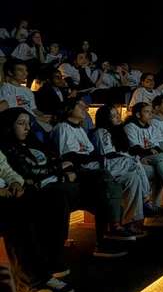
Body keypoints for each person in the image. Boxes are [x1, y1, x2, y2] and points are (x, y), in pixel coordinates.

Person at [1, 108, 127, 260]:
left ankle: (107, 236)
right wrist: (60, 172)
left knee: (101, 178)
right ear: (9, 126)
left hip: (57, 178)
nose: (27, 128)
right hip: (45, 186)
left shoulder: (33, 142)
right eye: (21, 123)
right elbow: (30, 172)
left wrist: (63, 171)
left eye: (29, 124)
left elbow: (56, 159)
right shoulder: (9, 147)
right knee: (70, 193)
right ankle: (56, 256)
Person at [52, 100, 137, 240]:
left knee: (131, 174)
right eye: (79, 106)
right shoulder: (62, 128)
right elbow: (68, 156)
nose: (84, 108)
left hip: (91, 165)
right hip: (77, 169)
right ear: (69, 110)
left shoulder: (79, 129)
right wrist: (91, 159)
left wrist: (92, 158)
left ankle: (128, 222)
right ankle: (114, 226)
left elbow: (90, 152)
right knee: (107, 178)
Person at [0, 143, 74, 292]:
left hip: (7, 192)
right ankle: (30, 282)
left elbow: (5, 168)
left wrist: (15, 182)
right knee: (16, 212)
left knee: (54, 198)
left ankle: (51, 262)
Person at [92, 105, 150, 237]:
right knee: (134, 162)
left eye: (117, 114)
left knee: (133, 177)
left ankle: (130, 222)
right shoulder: (101, 132)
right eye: (113, 116)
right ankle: (146, 199)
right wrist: (126, 158)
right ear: (106, 119)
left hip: (117, 166)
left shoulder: (117, 131)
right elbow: (107, 154)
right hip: (105, 167)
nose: (118, 117)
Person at [123, 102, 163, 211]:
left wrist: (151, 151)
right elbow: (134, 148)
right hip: (135, 159)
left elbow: (157, 146)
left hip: (148, 158)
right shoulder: (130, 127)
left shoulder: (150, 127)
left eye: (151, 112)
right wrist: (149, 151)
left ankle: (155, 206)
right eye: (146, 112)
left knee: (161, 170)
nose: (150, 115)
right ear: (138, 114)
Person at [0, 60, 53, 134]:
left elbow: (34, 109)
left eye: (26, 70)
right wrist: (36, 119)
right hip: (21, 126)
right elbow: (9, 113)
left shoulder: (27, 90)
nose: (26, 73)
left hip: (35, 121)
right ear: (10, 72)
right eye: (20, 70)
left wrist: (44, 115)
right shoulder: (5, 89)